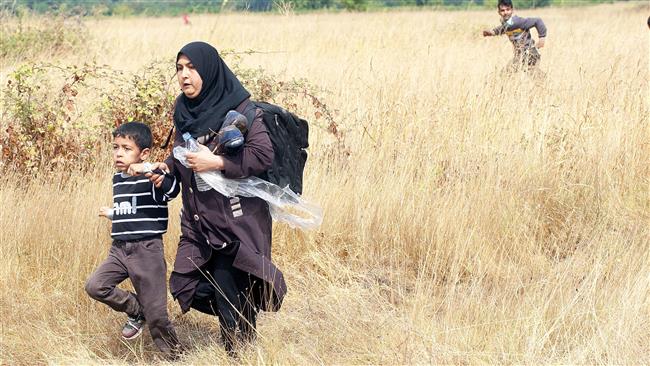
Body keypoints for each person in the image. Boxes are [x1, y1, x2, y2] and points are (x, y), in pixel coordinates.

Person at [137, 41, 287, 355]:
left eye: (191, 68)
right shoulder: (185, 111)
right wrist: (165, 168)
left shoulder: (244, 110)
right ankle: (241, 331)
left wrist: (217, 162)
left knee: (228, 283)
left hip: (235, 221)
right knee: (186, 284)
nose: (184, 75)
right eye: (179, 68)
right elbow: (182, 155)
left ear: (208, 70)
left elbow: (262, 155)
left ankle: (239, 353)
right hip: (199, 221)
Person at [85, 122, 182, 358]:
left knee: (157, 315)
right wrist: (112, 213)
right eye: (116, 147)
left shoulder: (153, 176)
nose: (119, 153)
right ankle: (137, 310)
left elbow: (172, 190)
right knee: (96, 286)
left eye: (127, 148)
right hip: (119, 249)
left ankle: (175, 356)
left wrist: (149, 171)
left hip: (146, 249)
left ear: (144, 153)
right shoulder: (118, 179)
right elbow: (131, 209)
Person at [482, 0, 547, 72]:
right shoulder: (507, 24)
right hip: (520, 55)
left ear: (512, 10)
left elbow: (537, 21)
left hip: (530, 53)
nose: (505, 12)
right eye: (502, 10)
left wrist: (542, 38)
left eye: (508, 9)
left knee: (508, 73)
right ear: (499, 12)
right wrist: (492, 32)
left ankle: (545, 81)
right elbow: (503, 28)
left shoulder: (518, 21)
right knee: (508, 73)